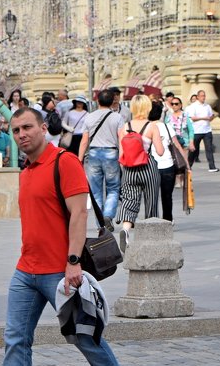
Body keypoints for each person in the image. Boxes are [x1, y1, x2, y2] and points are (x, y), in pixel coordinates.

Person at [0, 108, 138, 366]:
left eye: (27, 127)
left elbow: (79, 214)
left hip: (61, 271)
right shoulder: (25, 171)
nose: (21, 134)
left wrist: (73, 262)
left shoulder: (63, 163)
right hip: (26, 272)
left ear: (42, 128)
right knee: (15, 340)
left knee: (84, 337)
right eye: (16, 129)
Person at [115, 94, 165, 248]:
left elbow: (121, 155)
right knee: (151, 201)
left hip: (129, 167)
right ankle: (150, 239)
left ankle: (125, 230)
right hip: (147, 166)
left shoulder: (124, 127)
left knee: (130, 201)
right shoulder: (152, 127)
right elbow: (160, 151)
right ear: (147, 107)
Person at [77, 89, 125, 226]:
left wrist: (79, 159)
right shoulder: (117, 117)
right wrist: (122, 157)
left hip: (93, 154)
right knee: (113, 188)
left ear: (98, 101)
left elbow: (84, 140)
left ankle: (100, 224)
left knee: (96, 191)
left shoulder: (89, 117)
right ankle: (108, 215)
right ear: (112, 102)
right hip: (111, 153)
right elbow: (121, 139)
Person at [149, 102, 182, 222]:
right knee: (167, 195)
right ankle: (168, 219)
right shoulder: (167, 126)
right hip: (168, 164)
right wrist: (187, 164)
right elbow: (177, 145)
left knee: (152, 195)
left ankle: (152, 219)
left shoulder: (146, 127)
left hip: (151, 166)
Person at [185, 89, 218, 171]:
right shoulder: (193, 106)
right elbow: (192, 118)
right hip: (196, 131)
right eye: (202, 96)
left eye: (204, 96)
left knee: (209, 149)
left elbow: (210, 116)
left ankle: (212, 166)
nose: (204, 97)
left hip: (207, 130)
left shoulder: (208, 106)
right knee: (193, 150)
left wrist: (211, 117)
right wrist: (204, 118)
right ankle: (188, 166)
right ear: (198, 97)